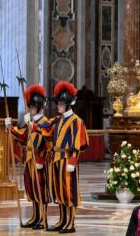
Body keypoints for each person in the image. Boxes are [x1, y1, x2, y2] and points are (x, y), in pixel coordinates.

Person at [33, 81, 89, 233]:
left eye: (60, 104)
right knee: (59, 191)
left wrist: (72, 161)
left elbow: (78, 143)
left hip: (67, 159)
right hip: (56, 159)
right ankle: (62, 220)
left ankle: (70, 223)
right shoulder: (58, 120)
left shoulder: (76, 121)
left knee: (69, 191)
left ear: (67, 105)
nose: (57, 106)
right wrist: (33, 123)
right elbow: (46, 129)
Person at [4, 84, 50, 229]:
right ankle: (35, 216)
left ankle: (43, 218)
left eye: (32, 107)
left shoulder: (45, 122)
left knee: (41, 189)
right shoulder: (31, 121)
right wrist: (10, 128)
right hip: (29, 159)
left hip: (39, 160)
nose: (30, 109)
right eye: (30, 106)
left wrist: (41, 159)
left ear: (39, 107)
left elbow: (46, 143)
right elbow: (23, 136)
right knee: (32, 188)